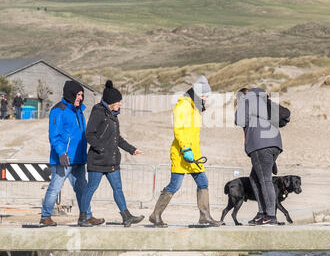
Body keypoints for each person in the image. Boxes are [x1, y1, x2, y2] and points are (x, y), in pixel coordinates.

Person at [149, 76, 221, 228]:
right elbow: (179, 130)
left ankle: (205, 216)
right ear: (196, 93)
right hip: (182, 153)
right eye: (204, 96)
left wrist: (193, 151)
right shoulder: (183, 105)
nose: (206, 99)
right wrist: (186, 149)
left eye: (207, 96)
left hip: (193, 154)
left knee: (203, 182)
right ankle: (155, 215)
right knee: (174, 185)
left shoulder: (195, 107)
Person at [79, 80, 144, 227]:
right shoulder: (98, 112)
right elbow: (89, 134)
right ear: (111, 102)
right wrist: (100, 148)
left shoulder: (113, 115)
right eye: (118, 102)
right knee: (91, 188)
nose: (120, 104)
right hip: (98, 160)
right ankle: (82, 217)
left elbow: (117, 138)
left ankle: (126, 216)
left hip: (112, 160)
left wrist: (131, 149)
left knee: (118, 189)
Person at [40, 81, 104, 227]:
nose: (80, 98)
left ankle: (87, 216)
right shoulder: (58, 110)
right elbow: (54, 135)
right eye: (78, 94)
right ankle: (45, 216)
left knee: (83, 190)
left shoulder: (79, 111)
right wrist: (62, 153)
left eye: (82, 95)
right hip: (64, 160)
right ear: (70, 94)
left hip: (79, 159)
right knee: (55, 188)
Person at [235, 88, 284, 226]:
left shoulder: (246, 100)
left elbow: (238, 120)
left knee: (265, 180)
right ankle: (262, 213)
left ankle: (270, 216)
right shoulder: (266, 101)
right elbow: (285, 116)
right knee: (255, 178)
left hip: (260, 145)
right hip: (276, 144)